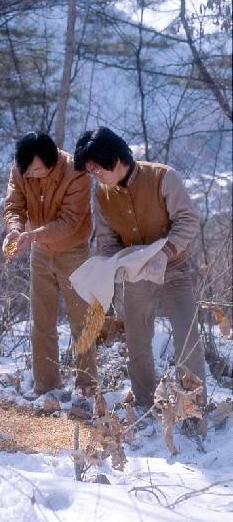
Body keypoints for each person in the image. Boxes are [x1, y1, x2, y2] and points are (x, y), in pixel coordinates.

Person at [73, 126, 207, 409]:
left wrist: (165, 253)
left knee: (187, 333)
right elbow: (108, 240)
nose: (95, 177)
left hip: (173, 268)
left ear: (116, 159)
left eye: (97, 170)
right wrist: (112, 266)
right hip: (137, 274)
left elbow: (188, 221)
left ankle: (194, 406)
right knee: (137, 338)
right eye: (90, 173)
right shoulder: (102, 195)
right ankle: (146, 403)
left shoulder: (162, 176)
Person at [3, 131, 97, 402]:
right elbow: (14, 206)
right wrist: (14, 229)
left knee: (82, 321)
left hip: (74, 252)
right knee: (41, 322)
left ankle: (87, 387)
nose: (30, 176)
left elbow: (70, 221)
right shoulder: (21, 170)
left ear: (52, 161)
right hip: (40, 253)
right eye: (26, 171)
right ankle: (46, 385)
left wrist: (32, 235)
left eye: (36, 171)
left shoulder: (75, 173)